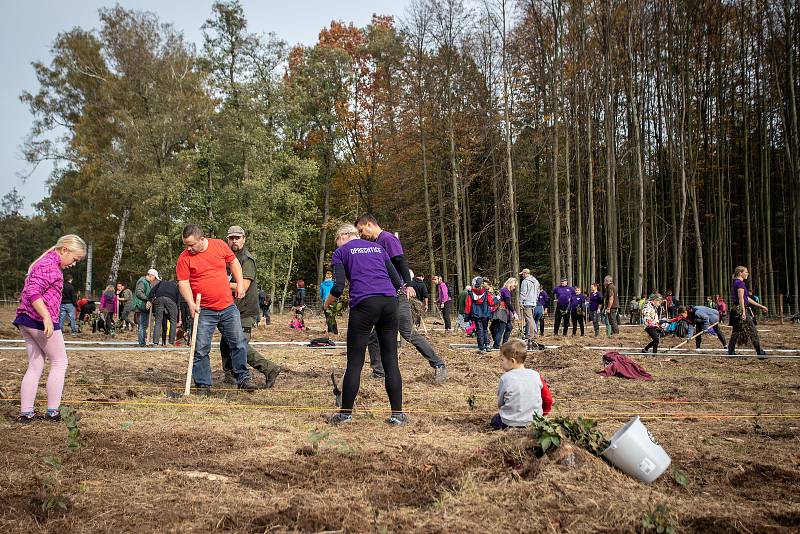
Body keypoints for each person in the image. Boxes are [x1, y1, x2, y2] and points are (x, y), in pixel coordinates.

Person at [323, 223, 406, 425]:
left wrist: (326, 305)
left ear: (342, 236)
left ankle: (345, 415)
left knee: (355, 361)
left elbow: (338, 287)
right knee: (390, 360)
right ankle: (397, 415)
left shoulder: (341, 252)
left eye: (336, 240)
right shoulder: (379, 248)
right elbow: (397, 282)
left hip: (364, 304)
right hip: (389, 303)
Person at [356, 214, 447, 383]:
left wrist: (410, 284)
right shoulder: (374, 244)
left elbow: (401, 261)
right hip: (384, 296)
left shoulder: (388, 239)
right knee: (374, 337)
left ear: (369, 224)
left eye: (361, 230)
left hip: (397, 296)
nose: (361, 234)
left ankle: (439, 364)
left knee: (407, 333)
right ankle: (379, 372)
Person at [176, 224, 257, 394]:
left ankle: (243, 378)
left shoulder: (219, 245)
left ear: (202, 239)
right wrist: (191, 303)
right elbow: (183, 283)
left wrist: (240, 284)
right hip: (204, 310)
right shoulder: (184, 258)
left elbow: (234, 262)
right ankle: (203, 385)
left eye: (191, 245)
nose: (188, 249)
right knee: (201, 348)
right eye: (186, 245)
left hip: (228, 307)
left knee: (238, 343)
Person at [15, 235, 87, 423]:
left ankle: (26, 413)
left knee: (35, 365)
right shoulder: (49, 265)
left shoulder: (45, 263)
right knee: (60, 362)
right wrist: (46, 316)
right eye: (74, 259)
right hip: (40, 320)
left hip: (25, 319)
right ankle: (53, 411)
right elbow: (33, 292)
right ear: (65, 250)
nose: (73, 264)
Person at [220, 226, 282, 388]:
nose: (234, 241)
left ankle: (269, 368)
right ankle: (230, 375)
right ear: (227, 240)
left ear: (244, 239)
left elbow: (243, 286)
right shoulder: (226, 259)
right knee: (225, 343)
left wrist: (217, 283)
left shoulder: (246, 260)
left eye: (237, 238)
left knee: (239, 345)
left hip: (244, 310)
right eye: (231, 238)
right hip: (229, 309)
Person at [489, 339, 553, 430]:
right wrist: (543, 414)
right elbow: (548, 399)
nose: (501, 363)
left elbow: (500, 403)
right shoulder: (536, 375)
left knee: (494, 420)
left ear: (512, 361)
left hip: (509, 422)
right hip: (535, 421)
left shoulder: (505, 378)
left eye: (502, 360)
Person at [728, 266, 768, 356]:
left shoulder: (737, 283)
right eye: (746, 272)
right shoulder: (740, 283)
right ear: (740, 273)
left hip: (736, 309)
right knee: (752, 330)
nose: (747, 274)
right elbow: (741, 298)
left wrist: (761, 306)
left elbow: (746, 298)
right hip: (739, 309)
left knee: (736, 331)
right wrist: (743, 311)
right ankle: (760, 352)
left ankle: (731, 352)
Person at [465, 276, 495, 353]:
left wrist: (467, 314)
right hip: (485, 314)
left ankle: (481, 347)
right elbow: (491, 303)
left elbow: (468, 305)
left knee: (479, 330)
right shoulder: (486, 293)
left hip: (476, 314)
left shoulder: (470, 293)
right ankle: (487, 345)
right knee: (485, 329)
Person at [149, 278, 180, 345]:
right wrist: (177, 319)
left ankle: (155, 343)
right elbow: (177, 303)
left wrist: (149, 299)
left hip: (159, 299)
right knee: (173, 321)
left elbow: (152, 291)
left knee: (158, 321)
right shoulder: (176, 287)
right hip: (170, 300)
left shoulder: (161, 283)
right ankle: (171, 342)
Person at [490, 278, 518, 349]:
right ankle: (496, 345)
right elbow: (508, 303)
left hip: (504, 312)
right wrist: (514, 312)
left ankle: (504, 344)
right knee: (501, 329)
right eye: (514, 286)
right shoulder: (506, 291)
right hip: (502, 312)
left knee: (509, 327)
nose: (514, 288)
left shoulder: (503, 290)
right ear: (511, 283)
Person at [133, 269, 158, 346]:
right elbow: (138, 292)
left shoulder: (147, 282)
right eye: (155, 277)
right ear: (151, 275)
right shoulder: (142, 281)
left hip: (143, 306)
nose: (155, 279)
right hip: (140, 306)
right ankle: (142, 343)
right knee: (143, 325)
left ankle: (142, 342)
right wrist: (148, 299)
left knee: (143, 324)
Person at [518, 268, 540, 340]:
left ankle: (530, 335)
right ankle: (535, 333)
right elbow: (538, 292)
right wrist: (535, 299)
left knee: (529, 319)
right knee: (531, 319)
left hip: (527, 302)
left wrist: (521, 301)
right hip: (533, 302)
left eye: (523, 274)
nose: (522, 276)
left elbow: (523, 292)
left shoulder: (525, 281)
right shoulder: (536, 281)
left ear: (526, 273)